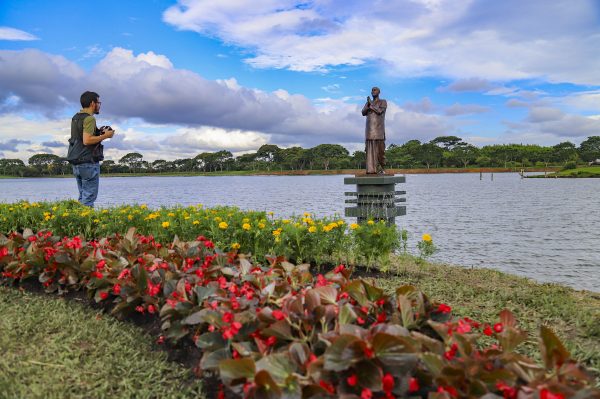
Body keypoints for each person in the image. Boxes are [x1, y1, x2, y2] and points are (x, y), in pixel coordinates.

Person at [66, 91, 115, 207]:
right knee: (89, 198)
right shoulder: (90, 119)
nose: (99, 105)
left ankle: (80, 220)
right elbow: (87, 140)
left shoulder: (76, 117)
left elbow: (80, 138)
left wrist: (98, 132)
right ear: (93, 103)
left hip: (77, 162)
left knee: (83, 196)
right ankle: (84, 223)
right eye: (99, 102)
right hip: (88, 163)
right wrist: (106, 135)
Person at [361, 87, 387, 174]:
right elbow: (363, 112)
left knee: (380, 151)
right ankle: (371, 170)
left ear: (379, 92)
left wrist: (370, 105)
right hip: (369, 130)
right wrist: (368, 105)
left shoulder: (383, 101)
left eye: (375, 90)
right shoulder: (368, 103)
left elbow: (379, 111)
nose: (373, 91)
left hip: (378, 130)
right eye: (372, 90)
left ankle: (382, 168)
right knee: (369, 150)